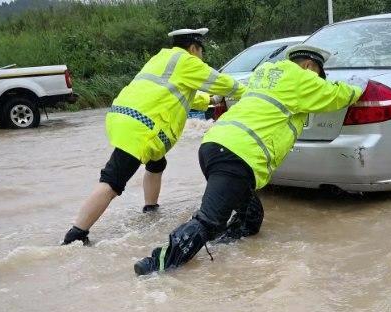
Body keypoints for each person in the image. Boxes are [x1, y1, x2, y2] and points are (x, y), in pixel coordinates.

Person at [133, 45, 364, 275]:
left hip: (214, 146)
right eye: (319, 76)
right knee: (208, 221)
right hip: (237, 156)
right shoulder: (302, 77)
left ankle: (222, 246)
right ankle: (157, 265)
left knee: (251, 218)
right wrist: (359, 87)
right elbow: (337, 95)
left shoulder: (265, 74)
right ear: (308, 65)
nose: (319, 82)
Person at [62, 28, 245, 246]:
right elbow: (225, 84)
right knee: (112, 181)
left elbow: (183, 96)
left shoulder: (161, 59)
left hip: (122, 118)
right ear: (194, 47)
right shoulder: (188, 62)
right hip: (141, 128)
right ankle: (76, 234)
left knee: (157, 162)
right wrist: (252, 93)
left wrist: (210, 101)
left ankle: (150, 208)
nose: (202, 57)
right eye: (201, 51)